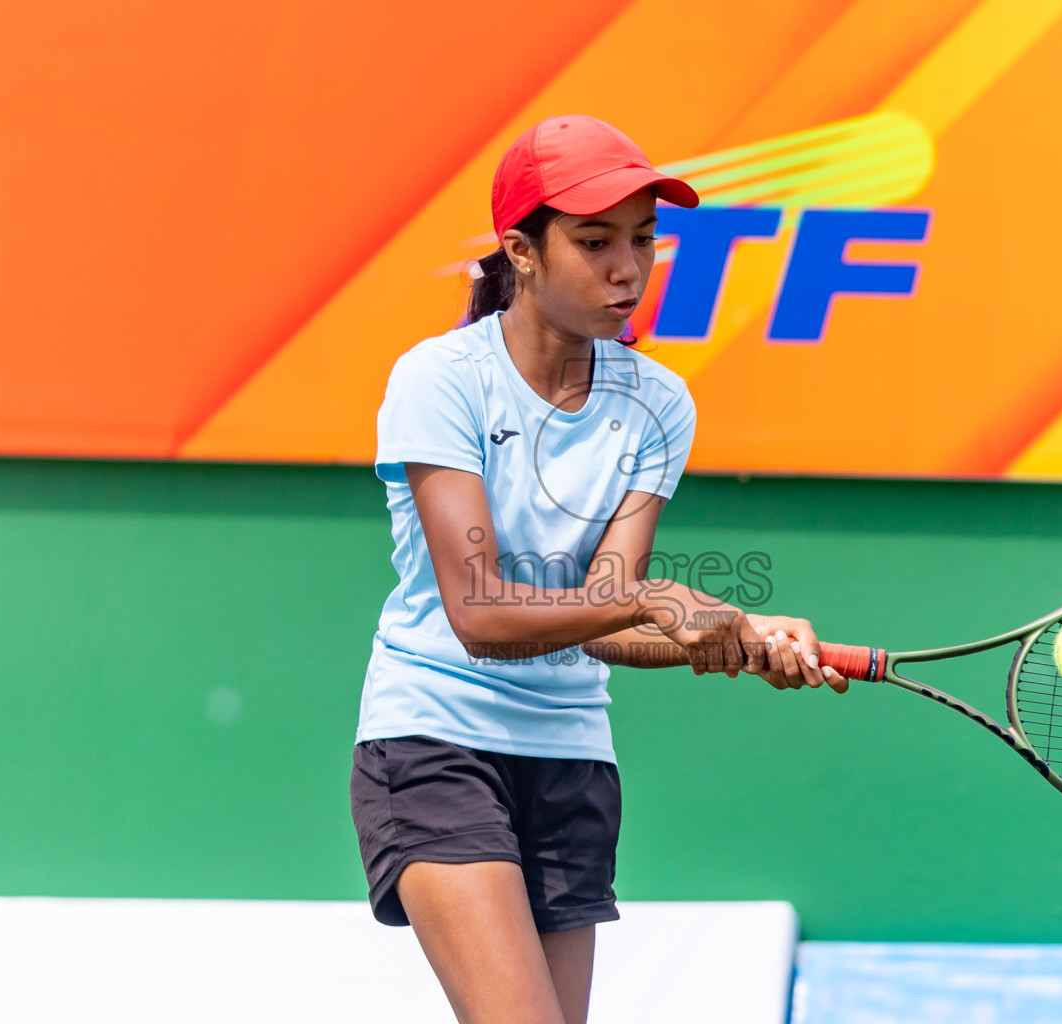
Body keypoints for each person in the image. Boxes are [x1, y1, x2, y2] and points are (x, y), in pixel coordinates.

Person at [349, 114, 847, 1024]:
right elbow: (481, 615)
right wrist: (657, 603)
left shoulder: (659, 402)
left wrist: (732, 635)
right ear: (521, 251)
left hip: (571, 761)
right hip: (435, 741)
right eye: (594, 241)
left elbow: (610, 624)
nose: (628, 267)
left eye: (643, 240)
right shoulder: (441, 380)